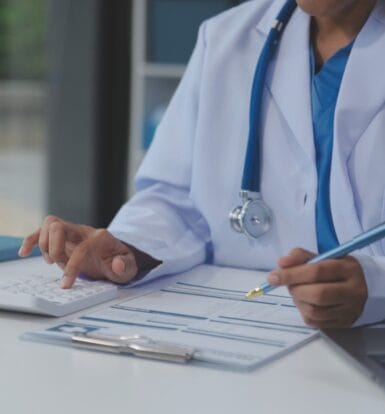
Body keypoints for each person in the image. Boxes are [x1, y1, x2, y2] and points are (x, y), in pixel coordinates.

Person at [19, 0, 385, 328]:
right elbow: (175, 196)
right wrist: (127, 249)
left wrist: (376, 287)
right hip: (247, 330)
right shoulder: (227, 38)